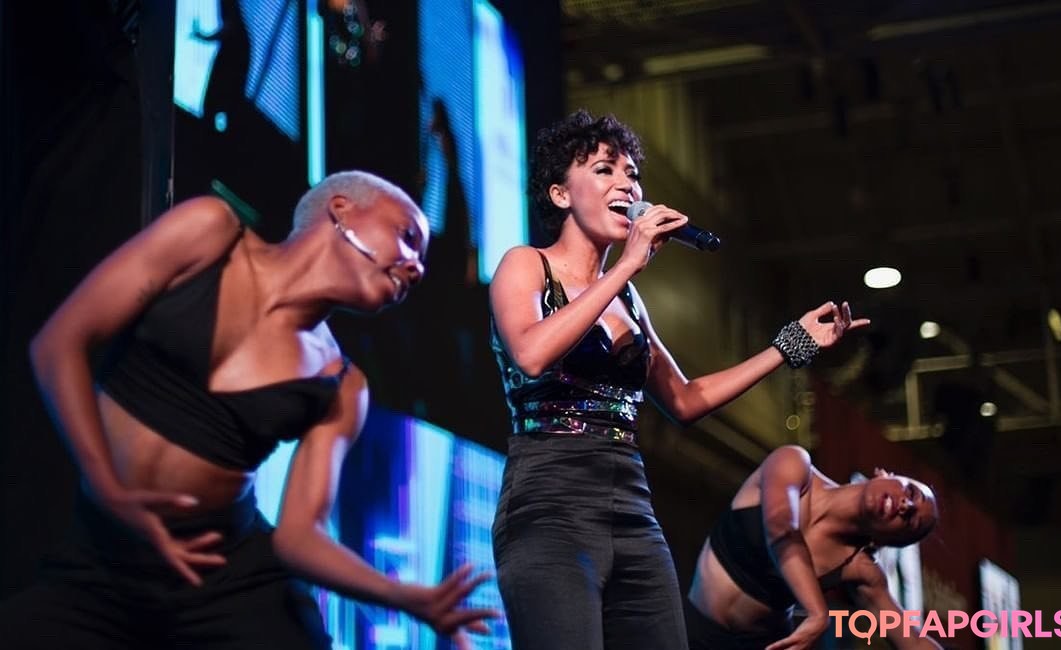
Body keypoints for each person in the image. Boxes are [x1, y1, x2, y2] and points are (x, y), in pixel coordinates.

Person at [0, 171, 496, 649]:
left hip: (226, 580)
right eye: (407, 237)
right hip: (101, 561)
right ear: (341, 209)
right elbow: (59, 344)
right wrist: (107, 488)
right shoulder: (209, 233)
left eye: (420, 261)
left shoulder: (342, 385)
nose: (417, 268)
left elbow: (300, 536)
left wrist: (404, 597)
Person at [488, 109, 869, 650]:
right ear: (560, 194)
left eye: (632, 174)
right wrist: (626, 265)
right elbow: (530, 353)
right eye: (604, 170)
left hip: (631, 506)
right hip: (549, 501)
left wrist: (792, 344)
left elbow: (685, 400)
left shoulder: (626, 298)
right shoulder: (527, 264)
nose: (627, 184)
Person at [686, 445, 942, 650]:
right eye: (911, 493)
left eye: (910, 521)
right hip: (689, 628)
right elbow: (780, 529)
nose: (906, 506)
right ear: (884, 474)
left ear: (887, 541)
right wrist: (818, 612)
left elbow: (913, 642)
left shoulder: (860, 570)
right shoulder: (794, 464)